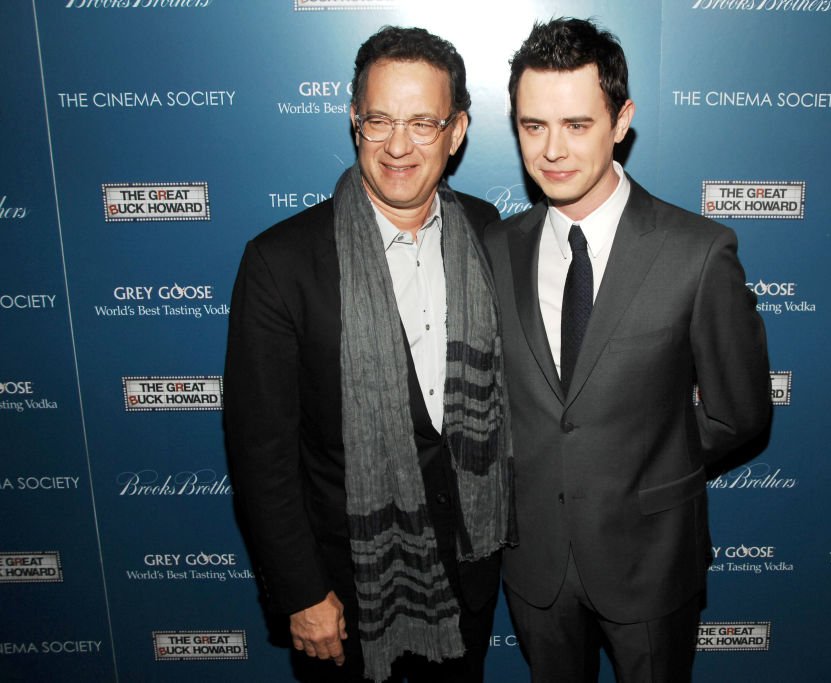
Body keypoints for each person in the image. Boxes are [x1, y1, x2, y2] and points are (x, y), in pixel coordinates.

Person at [484, 18, 771, 683]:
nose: (552, 150)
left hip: (651, 556)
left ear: (622, 121)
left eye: (577, 124)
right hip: (535, 560)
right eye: (533, 126)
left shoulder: (697, 252)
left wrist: (644, 457)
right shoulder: (495, 249)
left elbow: (741, 413)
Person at [224, 26, 514, 683]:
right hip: (346, 586)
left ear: (457, 130)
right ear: (354, 122)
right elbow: (260, 452)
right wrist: (300, 591)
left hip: (471, 568)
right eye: (379, 120)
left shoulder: (488, 232)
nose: (400, 145)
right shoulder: (281, 262)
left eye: (422, 122)